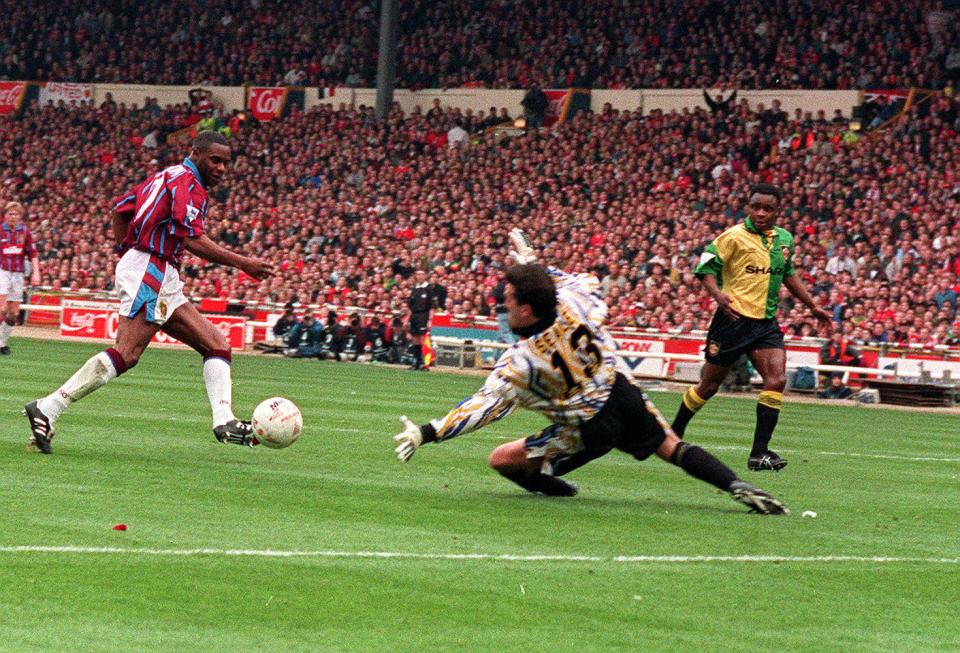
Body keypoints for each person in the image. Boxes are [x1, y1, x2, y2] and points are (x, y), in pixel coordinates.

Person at [391, 230, 787, 515]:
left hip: (586, 428)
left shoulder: (521, 361)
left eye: (508, 300)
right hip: (621, 394)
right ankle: (736, 485)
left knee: (500, 460)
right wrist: (532, 264)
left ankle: (554, 480)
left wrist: (426, 432)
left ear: (527, 309)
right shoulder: (572, 301)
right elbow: (570, 282)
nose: (502, 304)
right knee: (671, 447)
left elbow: (482, 408)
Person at [23, 131, 274, 454]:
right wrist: (244, 263)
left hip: (153, 269)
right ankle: (49, 406)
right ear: (195, 153)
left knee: (216, 344)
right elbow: (191, 239)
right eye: (215, 160)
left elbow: (121, 211)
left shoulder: (165, 176)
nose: (222, 168)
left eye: (226, 162)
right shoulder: (188, 185)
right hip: (151, 269)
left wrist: (126, 254)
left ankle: (223, 420)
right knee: (127, 352)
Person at [670, 183, 832, 471]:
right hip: (732, 321)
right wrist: (718, 296)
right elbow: (705, 268)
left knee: (777, 380)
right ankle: (673, 433)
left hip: (765, 324)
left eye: (767, 208)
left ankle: (759, 453)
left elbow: (788, 274)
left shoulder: (785, 239)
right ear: (749, 206)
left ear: (777, 211)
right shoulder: (732, 237)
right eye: (756, 207)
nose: (761, 213)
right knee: (708, 386)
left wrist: (811, 306)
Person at [0, 201, 41, 355]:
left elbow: (33, 254)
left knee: (14, 313)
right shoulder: (0, 231)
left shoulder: (25, 232)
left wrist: (36, 272)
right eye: (10, 214)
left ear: (20, 216)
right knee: (1, 309)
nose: (13, 216)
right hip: (2, 271)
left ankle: (2, 342)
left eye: (16, 214)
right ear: (5, 216)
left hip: (18, 274)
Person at [406, 269, 434, 370]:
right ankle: (416, 363)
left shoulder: (429, 288)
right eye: (418, 274)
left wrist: (430, 320)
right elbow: (410, 307)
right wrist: (407, 319)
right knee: (415, 340)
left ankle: (425, 364)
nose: (420, 276)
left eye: (422, 274)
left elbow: (432, 306)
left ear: (425, 276)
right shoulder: (414, 289)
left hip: (424, 315)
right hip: (414, 316)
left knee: (424, 340)